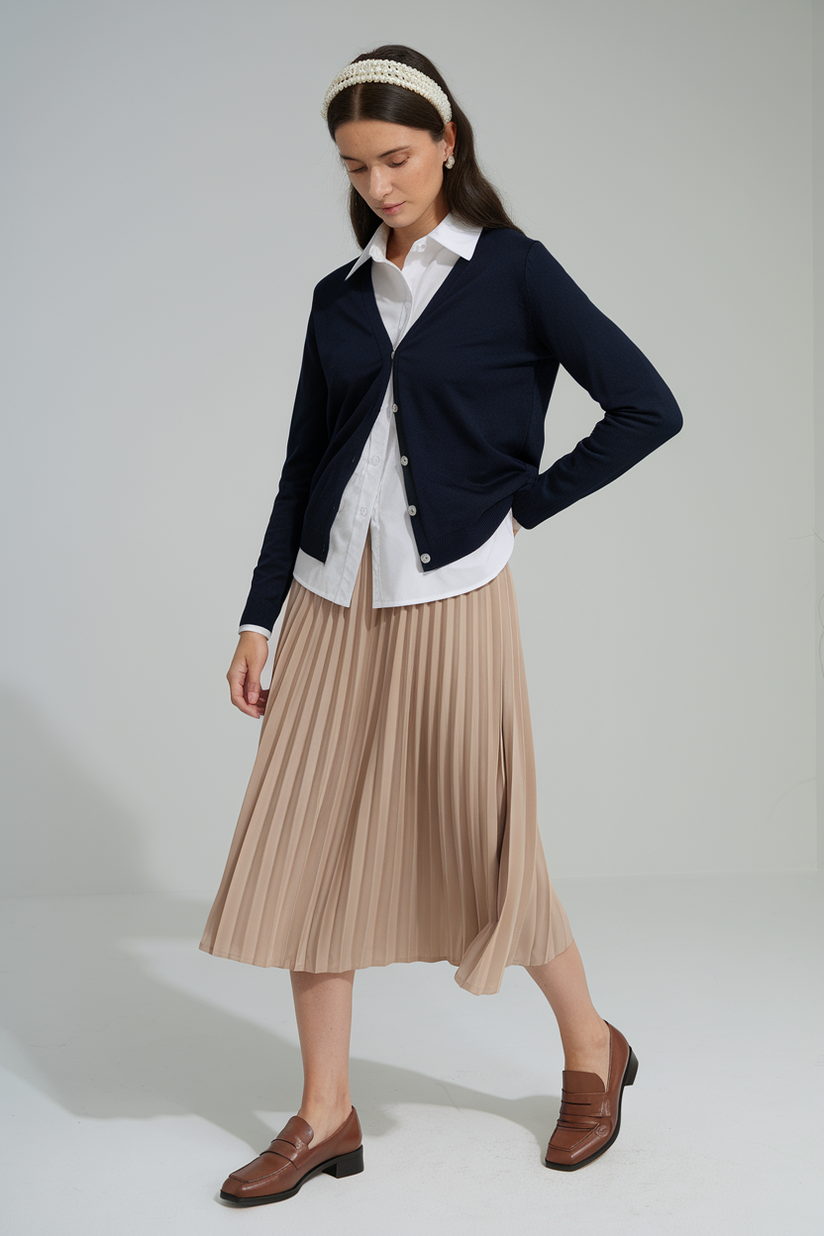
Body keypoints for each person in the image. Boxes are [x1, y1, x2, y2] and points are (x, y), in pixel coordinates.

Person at [199, 44, 682, 1205]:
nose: (378, 184)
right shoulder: (338, 297)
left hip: (452, 593)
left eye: (397, 158)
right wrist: (257, 616)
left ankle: (588, 1047)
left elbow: (645, 406)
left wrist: (521, 505)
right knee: (305, 848)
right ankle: (323, 1114)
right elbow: (301, 463)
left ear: (447, 142)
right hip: (326, 600)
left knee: (487, 841)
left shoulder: (513, 272)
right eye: (358, 167)